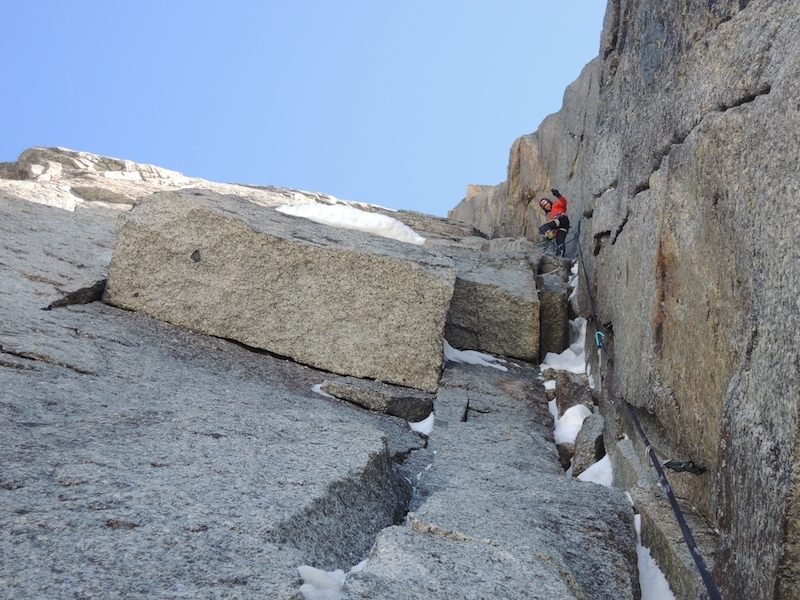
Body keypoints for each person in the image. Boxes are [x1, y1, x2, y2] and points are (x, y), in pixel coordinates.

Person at [538, 188, 570, 257]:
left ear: (549, 202)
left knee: (543, 228)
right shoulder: (551, 215)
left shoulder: (556, 204)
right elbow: (556, 228)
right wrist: (552, 235)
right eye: (545, 206)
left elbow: (563, 202)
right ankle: (561, 256)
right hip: (563, 226)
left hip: (561, 219)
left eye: (547, 204)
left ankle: (549, 235)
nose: (547, 206)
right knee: (560, 242)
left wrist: (558, 195)